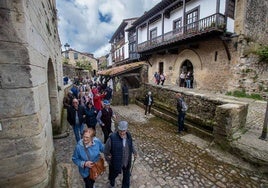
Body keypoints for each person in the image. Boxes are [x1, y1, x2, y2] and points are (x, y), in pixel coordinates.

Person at [104, 121, 137, 188]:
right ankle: (112, 183)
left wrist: (134, 151)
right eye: (120, 130)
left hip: (126, 161)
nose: (122, 133)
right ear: (118, 129)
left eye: (124, 131)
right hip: (116, 162)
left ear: (127, 129)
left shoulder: (128, 135)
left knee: (126, 177)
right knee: (113, 174)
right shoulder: (112, 138)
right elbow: (106, 151)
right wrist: (109, 161)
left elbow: (131, 144)